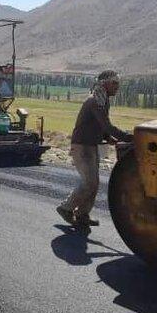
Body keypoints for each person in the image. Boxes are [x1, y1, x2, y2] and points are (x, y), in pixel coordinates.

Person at [56, 70, 133, 227]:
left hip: (90, 145)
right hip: (82, 146)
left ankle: (82, 214)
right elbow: (107, 125)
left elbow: (101, 126)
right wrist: (131, 137)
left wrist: (107, 137)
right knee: (89, 182)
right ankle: (66, 208)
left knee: (94, 183)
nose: (117, 87)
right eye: (114, 83)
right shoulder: (94, 102)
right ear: (104, 84)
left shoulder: (102, 101)